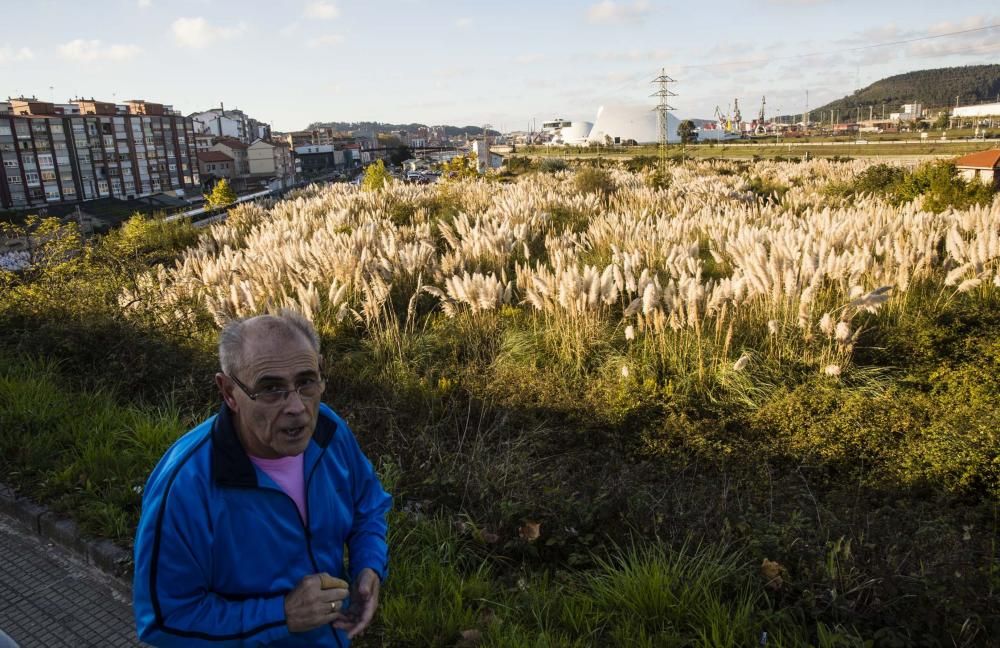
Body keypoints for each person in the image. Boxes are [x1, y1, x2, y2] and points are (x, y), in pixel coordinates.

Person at [133, 311, 392, 647]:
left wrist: (368, 566)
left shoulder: (328, 431)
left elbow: (368, 504)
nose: (297, 407)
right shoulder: (185, 487)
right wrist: (281, 615)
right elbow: (164, 619)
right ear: (228, 392)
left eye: (306, 382)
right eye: (271, 389)